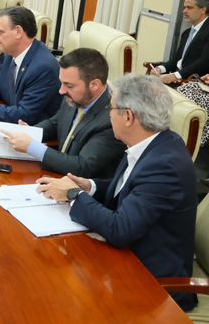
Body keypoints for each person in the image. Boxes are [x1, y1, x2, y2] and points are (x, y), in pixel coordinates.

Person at [36, 74, 197, 312]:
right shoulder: (153, 142)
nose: (108, 115)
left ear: (128, 117)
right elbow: (130, 187)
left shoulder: (164, 165)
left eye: (110, 109)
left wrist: (73, 195)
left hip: (152, 285)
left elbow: (119, 230)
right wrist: (89, 187)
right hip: (125, 259)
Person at [0, 48, 127, 178]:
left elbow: (82, 167)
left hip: (83, 186)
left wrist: (32, 147)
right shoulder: (75, 97)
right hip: (57, 177)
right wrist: (31, 133)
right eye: (61, 83)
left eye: (69, 85)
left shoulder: (112, 118)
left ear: (94, 85)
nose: (61, 91)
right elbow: (55, 123)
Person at [149, 0, 209, 84]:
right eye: (184, 7)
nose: (184, 11)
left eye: (189, 8)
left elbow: (204, 62)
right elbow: (175, 59)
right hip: (177, 78)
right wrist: (160, 68)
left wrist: (175, 76)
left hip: (192, 82)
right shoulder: (187, 33)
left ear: (203, 10)